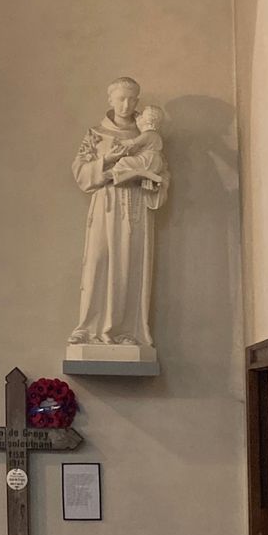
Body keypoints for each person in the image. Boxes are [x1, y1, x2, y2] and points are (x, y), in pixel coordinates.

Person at [68, 77, 170, 348]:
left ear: (137, 101)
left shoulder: (148, 135)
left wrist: (154, 182)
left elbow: (161, 171)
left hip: (135, 207)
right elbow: (81, 172)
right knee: (98, 262)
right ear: (110, 100)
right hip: (106, 204)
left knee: (128, 266)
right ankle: (88, 328)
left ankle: (125, 331)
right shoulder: (96, 134)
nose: (126, 105)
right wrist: (107, 161)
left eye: (131, 99)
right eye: (120, 99)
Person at [105, 105, 166, 185]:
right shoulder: (156, 136)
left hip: (147, 161)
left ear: (148, 121)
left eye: (142, 116)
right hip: (156, 163)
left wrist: (121, 142)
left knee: (124, 161)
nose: (138, 118)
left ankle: (114, 173)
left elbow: (134, 142)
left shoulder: (148, 134)